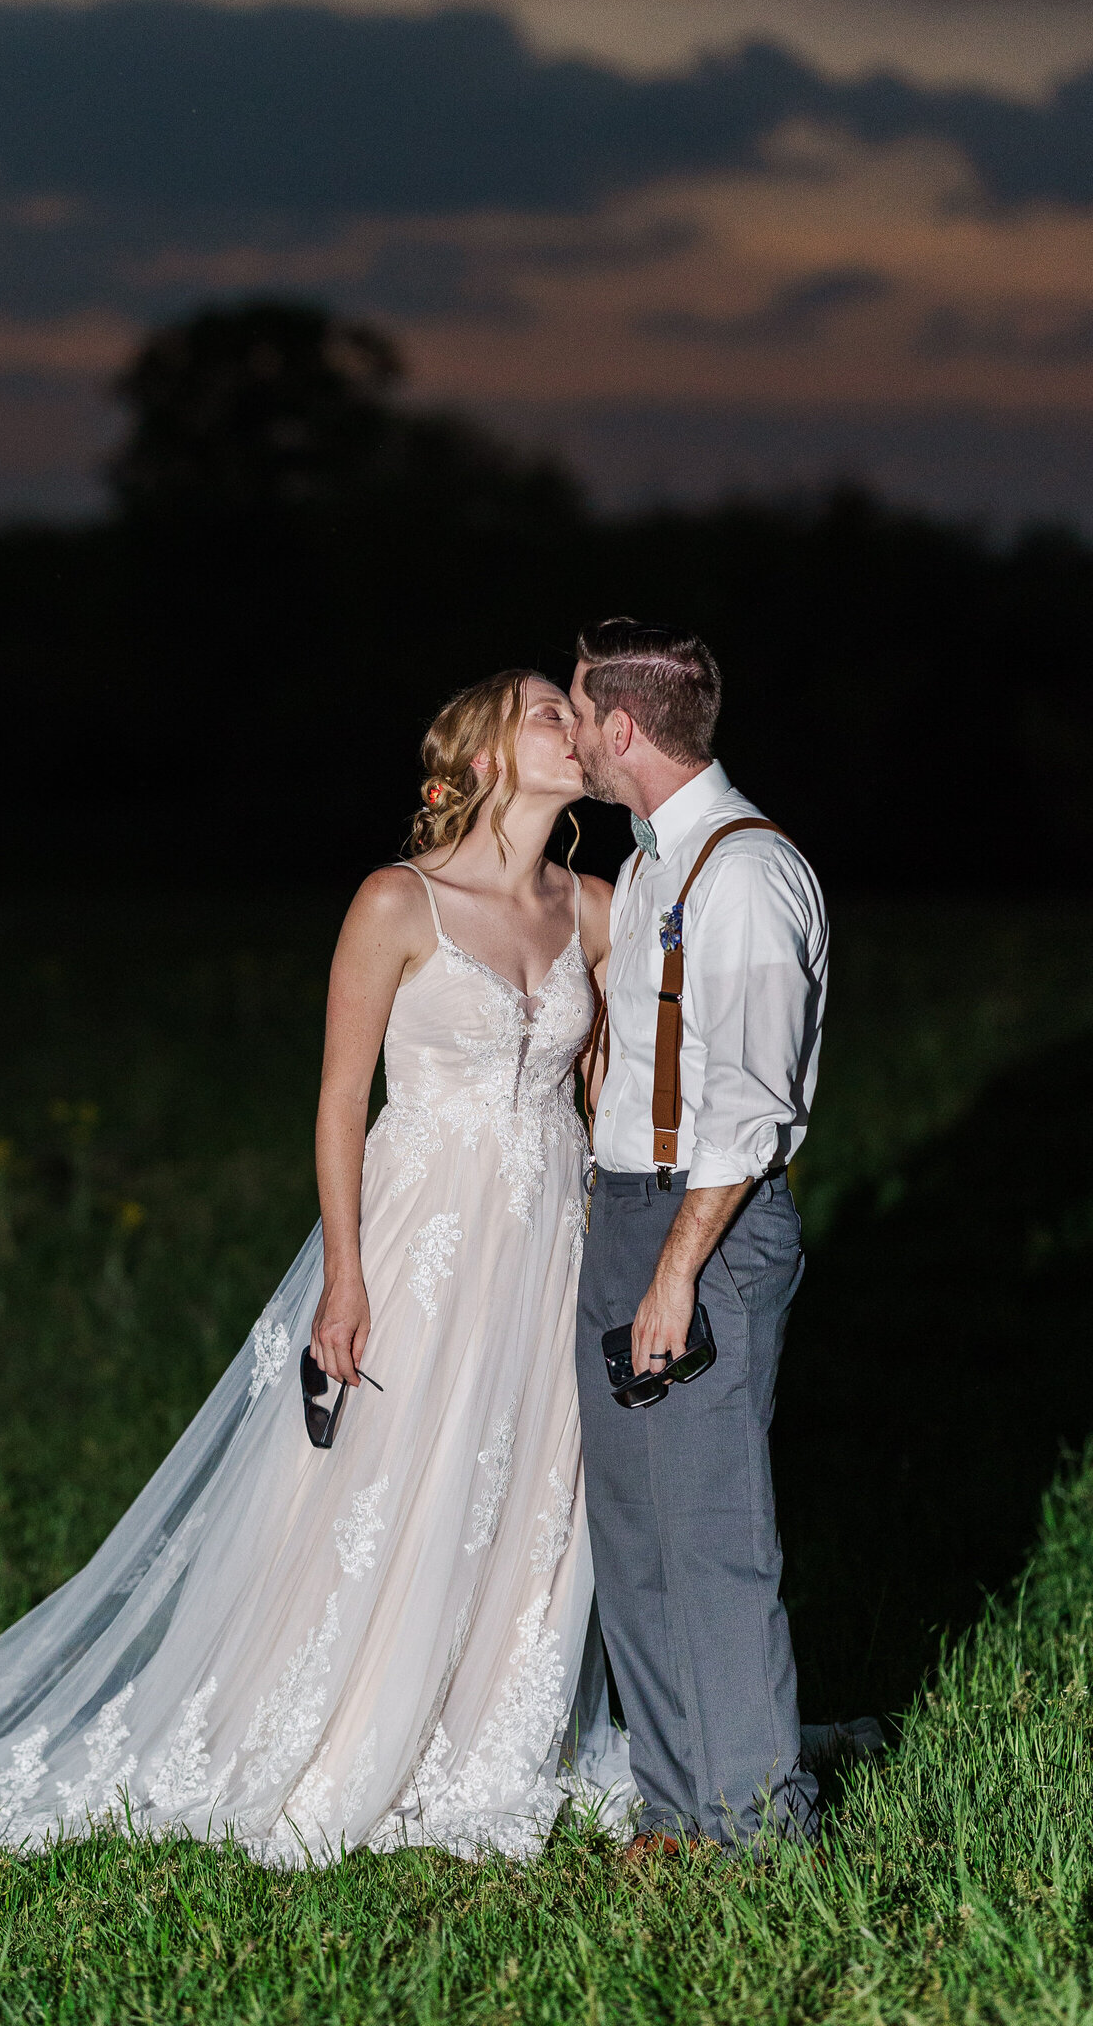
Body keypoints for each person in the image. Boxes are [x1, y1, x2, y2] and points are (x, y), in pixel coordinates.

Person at [0, 670, 635, 1866]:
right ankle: (332, 1729)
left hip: (551, 1241)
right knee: (384, 1481)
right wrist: (344, 1278)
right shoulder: (399, 902)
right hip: (419, 1233)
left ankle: (485, 1734)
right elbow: (341, 1105)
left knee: (526, 1484)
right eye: (546, 708)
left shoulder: (593, 905)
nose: (571, 724)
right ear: (488, 756)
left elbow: (621, 1080)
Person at [568, 618, 828, 1854]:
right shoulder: (648, 860)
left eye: (576, 713)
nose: (569, 735)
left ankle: (756, 1825)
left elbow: (752, 1103)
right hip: (629, 1209)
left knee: (710, 1531)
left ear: (620, 728)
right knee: (638, 1534)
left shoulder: (745, 871)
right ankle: (678, 1809)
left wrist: (674, 1273)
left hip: (704, 1227)